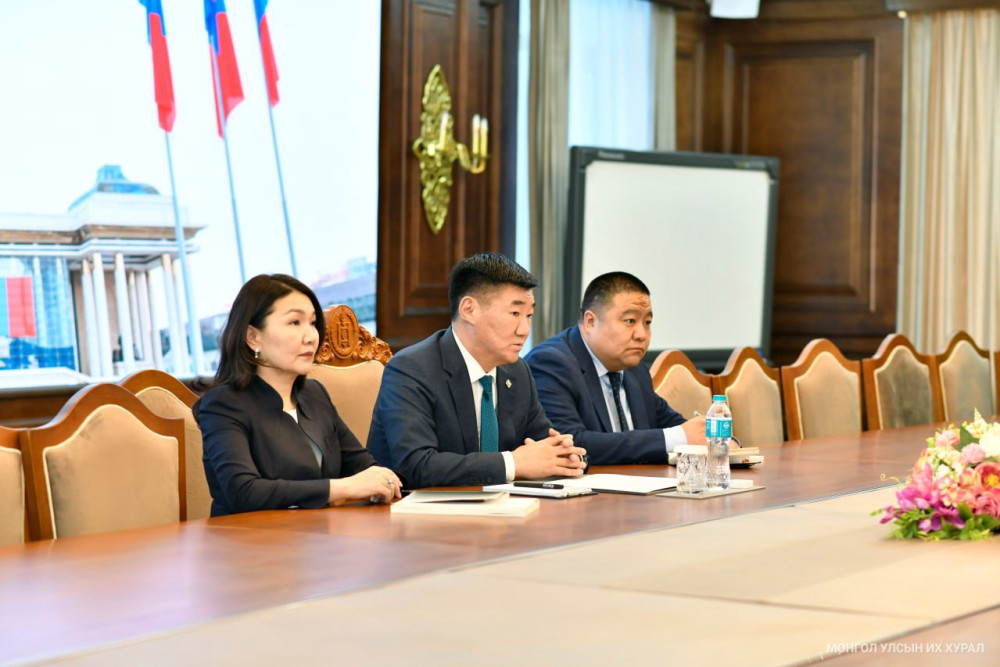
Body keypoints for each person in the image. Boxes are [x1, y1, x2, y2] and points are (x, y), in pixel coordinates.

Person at [367, 253, 587, 488]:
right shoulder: (411, 370)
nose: (524, 330)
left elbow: (544, 443)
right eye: (515, 314)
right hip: (417, 508)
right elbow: (418, 465)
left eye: (529, 316)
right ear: (469, 310)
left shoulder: (517, 371)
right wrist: (513, 463)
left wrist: (569, 456)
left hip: (501, 506)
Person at [194, 274, 401, 516]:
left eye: (313, 323)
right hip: (249, 536)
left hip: (320, 532)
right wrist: (342, 488)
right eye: (294, 322)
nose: (311, 336)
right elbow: (244, 492)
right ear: (253, 337)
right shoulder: (223, 404)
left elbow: (364, 468)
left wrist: (381, 480)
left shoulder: (314, 393)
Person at [525, 271, 708, 466]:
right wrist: (676, 438)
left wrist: (711, 436)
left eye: (647, 322)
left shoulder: (634, 369)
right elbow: (570, 444)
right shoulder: (551, 363)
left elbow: (676, 425)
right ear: (591, 322)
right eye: (630, 321)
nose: (641, 334)